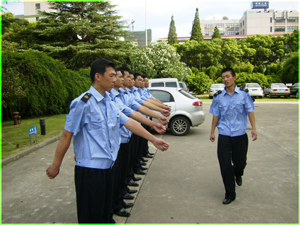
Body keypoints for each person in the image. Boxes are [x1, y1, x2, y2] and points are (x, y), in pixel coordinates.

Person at [46, 59, 169, 223]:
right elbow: (67, 135)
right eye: (111, 76)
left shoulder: (109, 101)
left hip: (108, 167)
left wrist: (153, 138)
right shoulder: (83, 103)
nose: (114, 80)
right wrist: (56, 164)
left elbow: (127, 121)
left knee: (104, 214)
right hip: (90, 171)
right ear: (98, 76)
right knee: (91, 216)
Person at [209, 68, 257, 205]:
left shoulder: (243, 95)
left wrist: (254, 128)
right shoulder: (218, 96)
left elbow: (250, 111)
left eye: (228, 76)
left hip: (240, 135)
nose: (225, 79)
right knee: (225, 165)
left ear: (234, 77)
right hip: (224, 134)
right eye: (223, 77)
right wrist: (212, 131)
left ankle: (238, 173)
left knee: (240, 162)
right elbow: (216, 115)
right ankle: (230, 193)